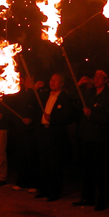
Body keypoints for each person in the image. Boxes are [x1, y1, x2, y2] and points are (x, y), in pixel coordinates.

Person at [72, 70, 109, 211]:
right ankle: (87, 197)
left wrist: (92, 114)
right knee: (87, 169)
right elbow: (75, 100)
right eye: (95, 77)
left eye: (100, 77)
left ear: (106, 80)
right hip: (86, 137)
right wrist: (79, 85)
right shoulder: (89, 93)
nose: (96, 80)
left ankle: (102, 201)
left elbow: (108, 118)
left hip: (100, 139)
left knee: (101, 171)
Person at [35, 73, 78, 202]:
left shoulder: (65, 98)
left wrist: (53, 119)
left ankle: (54, 192)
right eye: (51, 80)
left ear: (62, 83)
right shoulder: (46, 95)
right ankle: (44, 189)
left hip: (56, 133)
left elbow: (68, 117)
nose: (52, 82)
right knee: (43, 162)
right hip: (44, 132)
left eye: (55, 80)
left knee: (55, 164)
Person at [3, 75, 44, 192]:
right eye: (28, 80)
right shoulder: (19, 94)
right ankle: (22, 182)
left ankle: (34, 184)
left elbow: (39, 111)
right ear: (24, 82)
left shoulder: (36, 95)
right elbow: (12, 108)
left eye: (32, 80)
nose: (30, 82)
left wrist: (31, 120)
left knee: (32, 158)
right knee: (21, 157)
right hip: (20, 130)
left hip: (31, 131)